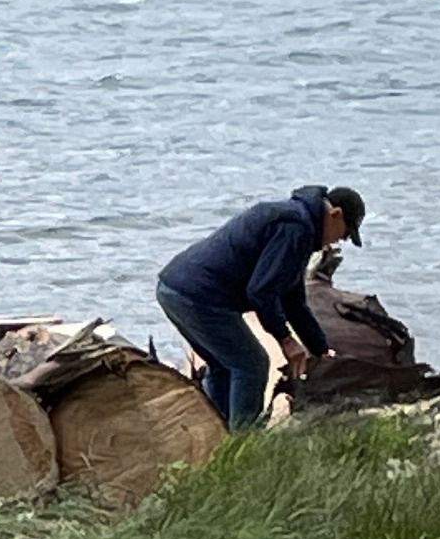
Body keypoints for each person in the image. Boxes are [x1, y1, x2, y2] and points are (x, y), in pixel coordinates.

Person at [155, 183, 363, 428]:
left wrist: (321, 349)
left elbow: (293, 300)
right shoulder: (296, 227)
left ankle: (220, 441)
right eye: (345, 234)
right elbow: (261, 292)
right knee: (252, 365)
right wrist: (286, 340)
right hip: (198, 297)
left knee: (224, 367)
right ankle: (244, 445)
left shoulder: (300, 223)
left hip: (173, 289)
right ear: (335, 214)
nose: (338, 241)